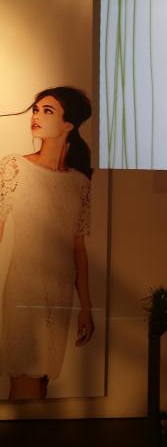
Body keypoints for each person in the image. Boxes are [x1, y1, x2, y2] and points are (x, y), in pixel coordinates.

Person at [0, 86, 94, 400]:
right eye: (36, 109)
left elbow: (78, 250)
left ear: (68, 124)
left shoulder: (79, 183)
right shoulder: (13, 167)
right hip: (23, 290)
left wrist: (86, 308)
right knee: (24, 377)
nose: (36, 116)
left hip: (60, 292)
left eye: (47, 110)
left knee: (41, 382)